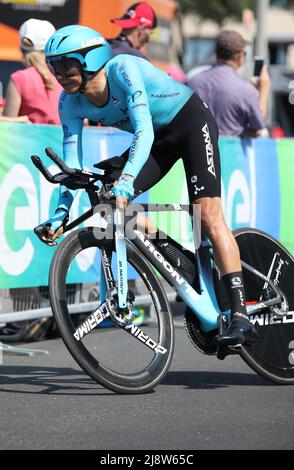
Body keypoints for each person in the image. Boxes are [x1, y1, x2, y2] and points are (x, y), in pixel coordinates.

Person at [35, 24, 259, 347]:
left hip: (190, 123)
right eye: (54, 67)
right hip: (158, 140)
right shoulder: (69, 103)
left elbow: (145, 131)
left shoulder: (123, 70)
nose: (59, 74)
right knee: (110, 200)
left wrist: (128, 179)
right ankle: (183, 263)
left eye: (66, 65)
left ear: (90, 60)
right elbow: (73, 166)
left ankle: (241, 315)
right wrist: (60, 214)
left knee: (207, 217)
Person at [187, 30, 271, 137]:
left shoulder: (193, 82)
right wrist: (264, 89)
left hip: (199, 151)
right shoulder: (246, 90)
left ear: (216, 53)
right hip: (231, 151)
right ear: (240, 56)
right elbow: (259, 125)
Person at [3, 18, 62, 124]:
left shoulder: (19, 78)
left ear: (22, 48)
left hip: (28, 140)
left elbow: (7, 128)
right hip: (62, 140)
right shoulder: (65, 76)